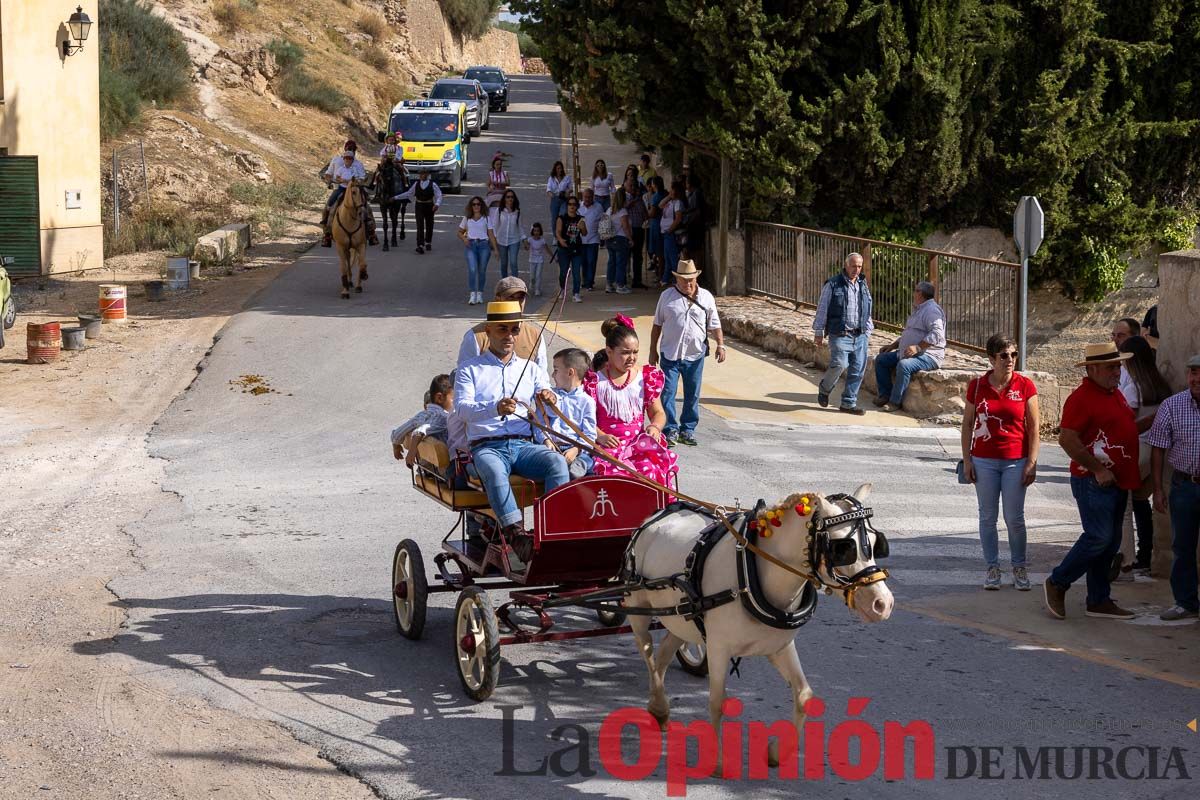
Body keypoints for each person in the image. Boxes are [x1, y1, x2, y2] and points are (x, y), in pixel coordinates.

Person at [454, 301, 569, 561]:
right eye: (502, 329)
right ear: (488, 331)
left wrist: (551, 399)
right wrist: (494, 408)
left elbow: (551, 410)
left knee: (556, 462)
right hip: (486, 447)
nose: (509, 336)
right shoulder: (469, 369)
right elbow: (462, 409)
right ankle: (516, 535)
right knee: (494, 470)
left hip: (523, 445)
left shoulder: (531, 369)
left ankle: (551, 533)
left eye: (514, 330)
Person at [1043, 343, 1141, 621]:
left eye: (1119, 365)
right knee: (1098, 537)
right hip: (1093, 480)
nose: (1117, 371)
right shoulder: (1082, 398)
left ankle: (1098, 600)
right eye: (1112, 366)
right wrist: (1098, 469)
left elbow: (1122, 429)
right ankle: (1058, 581)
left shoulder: (1114, 394)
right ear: (1092, 369)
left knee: (1109, 544)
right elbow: (1067, 438)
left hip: (1116, 480)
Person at [960, 335, 1040, 591]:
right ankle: (992, 567)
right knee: (987, 517)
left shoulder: (1025, 386)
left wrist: (1033, 461)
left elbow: (1034, 427)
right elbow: (967, 424)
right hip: (983, 460)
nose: (1010, 360)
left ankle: (1019, 566)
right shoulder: (977, 386)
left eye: (1014, 355)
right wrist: (967, 459)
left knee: (1015, 518)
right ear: (991, 358)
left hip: (1016, 460)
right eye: (1004, 355)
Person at [585, 316, 678, 487]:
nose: (631, 357)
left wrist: (655, 427)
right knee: (616, 477)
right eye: (625, 352)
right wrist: (600, 436)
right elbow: (584, 418)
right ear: (609, 351)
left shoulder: (645, 378)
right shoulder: (594, 381)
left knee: (650, 472)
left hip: (639, 445)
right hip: (607, 447)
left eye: (635, 352)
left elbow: (658, 413)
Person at [649, 259, 726, 446]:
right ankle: (670, 429)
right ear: (677, 280)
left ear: (696, 278)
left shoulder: (706, 297)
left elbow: (715, 325)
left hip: (695, 354)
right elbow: (657, 325)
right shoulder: (667, 296)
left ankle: (688, 429)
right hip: (670, 353)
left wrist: (720, 345)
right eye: (684, 280)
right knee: (667, 393)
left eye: (691, 280)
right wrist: (652, 351)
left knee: (693, 394)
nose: (688, 284)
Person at [1147, 353, 1200, 620]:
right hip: (1184, 487)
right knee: (1183, 547)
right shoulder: (1172, 406)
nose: (1196, 378)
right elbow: (1158, 448)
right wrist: (1157, 489)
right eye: (1193, 372)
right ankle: (1185, 602)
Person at [1115, 335, 1171, 577]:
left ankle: (1126, 560)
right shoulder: (1160, 385)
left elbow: (1129, 426)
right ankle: (1145, 554)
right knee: (1140, 503)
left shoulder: (1133, 387)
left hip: (1136, 450)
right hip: (1156, 452)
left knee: (1123, 508)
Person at [812, 252, 873, 415]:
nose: (857, 269)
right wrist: (819, 331)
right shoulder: (833, 284)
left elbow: (867, 306)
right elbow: (823, 307)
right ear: (846, 265)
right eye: (854, 266)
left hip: (860, 335)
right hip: (840, 333)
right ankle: (825, 388)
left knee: (858, 369)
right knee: (839, 364)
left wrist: (868, 329)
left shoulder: (862, 284)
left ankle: (848, 403)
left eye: (859, 266)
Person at [873, 281, 946, 411]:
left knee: (904, 365)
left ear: (920, 294)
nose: (913, 293)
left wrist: (918, 347)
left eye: (915, 290)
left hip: (929, 355)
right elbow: (911, 332)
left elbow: (937, 334)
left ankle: (895, 402)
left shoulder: (931, 311)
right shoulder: (919, 309)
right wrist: (893, 345)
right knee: (881, 360)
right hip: (908, 351)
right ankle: (885, 395)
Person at [458, 276, 547, 371]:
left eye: (521, 298)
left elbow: (542, 377)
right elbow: (464, 372)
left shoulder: (536, 336)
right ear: (497, 299)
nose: (516, 302)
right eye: (511, 297)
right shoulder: (475, 336)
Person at [539, 347, 598, 480]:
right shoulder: (549, 395)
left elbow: (589, 434)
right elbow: (539, 423)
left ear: (570, 372)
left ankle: (580, 465)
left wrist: (576, 449)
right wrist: (546, 440)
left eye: (555, 370)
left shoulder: (586, 401)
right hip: (552, 447)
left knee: (587, 459)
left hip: (575, 448)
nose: (552, 375)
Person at [319, 140, 378, 247]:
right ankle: (327, 234)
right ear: (344, 150)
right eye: (348, 149)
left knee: (366, 207)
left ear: (355, 152)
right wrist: (329, 180)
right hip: (341, 188)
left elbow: (363, 177)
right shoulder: (336, 160)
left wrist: (357, 182)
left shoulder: (358, 164)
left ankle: (371, 233)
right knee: (329, 206)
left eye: (352, 150)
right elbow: (329, 173)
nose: (349, 153)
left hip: (355, 189)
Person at [391, 374, 453, 466]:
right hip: (444, 468)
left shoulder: (420, 416)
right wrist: (411, 452)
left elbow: (396, 434)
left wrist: (396, 445)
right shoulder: (443, 417)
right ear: (439, 398)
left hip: (426, 468)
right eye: (454, 398)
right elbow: (421, 431)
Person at [392, 165, 441, 254]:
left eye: (424, 174)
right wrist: (396, 197)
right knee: (420, 225)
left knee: (429, 224)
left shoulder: (432, 184)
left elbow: (439, 195)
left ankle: (428, 242)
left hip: (429, 205)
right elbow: (408, 193)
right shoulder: (416, 184)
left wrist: (437, 204)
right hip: (419, 206)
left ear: (427, 175)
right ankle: (420, 245)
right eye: (421, 174)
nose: (422, 176)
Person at [458, 196, 497, 305]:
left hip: (484, 245)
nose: (476, 206)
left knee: (482, 270)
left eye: (478, 204)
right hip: (471, 245)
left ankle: (479, 293)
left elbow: (491, 234)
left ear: (481, 206)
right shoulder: (467, 218)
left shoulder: (487, 218)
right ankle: (472, 294)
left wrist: (496, 249)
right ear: (471, 206)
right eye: (474, 204)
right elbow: (459, 232)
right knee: (472, 269)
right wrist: (464, 239)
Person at [555, 196, 586, 303]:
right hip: (564, 249)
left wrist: (582, 227)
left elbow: (585, 233)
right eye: (570, 204)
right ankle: (562, 289)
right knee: (563, 272)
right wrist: (560, 240)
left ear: (577, 206)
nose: (572, 206)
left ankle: (576, 293)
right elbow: (558, 231)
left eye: (574, 204)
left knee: (576, 272)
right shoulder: (561, 218)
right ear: (567, 206)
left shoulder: (580, 218)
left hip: (576, 248)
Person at [622, 172, 648, 289]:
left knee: (638, 256)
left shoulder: (640, 199)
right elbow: (622, 208)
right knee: (625, 255)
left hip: (638, 229)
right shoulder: (622, 197)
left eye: (634, 186)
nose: (632, 188)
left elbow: (644, 213)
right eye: (630, 186)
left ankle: (637, 280)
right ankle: (623, 280)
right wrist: (632, 201)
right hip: (627, 230)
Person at [605, 187, 633, 294]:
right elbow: (625, 227)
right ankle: (620, 285)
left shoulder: (609, 210)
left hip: (609, 239)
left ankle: (609, 284)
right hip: (620, 239)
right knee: (620, 263)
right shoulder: (622, 211)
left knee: (611, 262)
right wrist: (630, 239)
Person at [493, 190, 524, 279]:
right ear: (504, 199)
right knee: (503, 263)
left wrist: (524, 239)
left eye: (512, 197)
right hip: (501, 241)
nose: (510, 199)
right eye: (508, 197)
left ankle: (515, 284)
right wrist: (494, 245)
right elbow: (494, 227)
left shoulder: (517, 212)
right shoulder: (499, 211)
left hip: (514, 240)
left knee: (513, 262)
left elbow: (520, 227)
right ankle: (505, 282)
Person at [659, 180, 685, 282]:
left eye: (672, 189)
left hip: (671, 233)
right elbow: (660, 205)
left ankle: (676, 280)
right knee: (667, 257)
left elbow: (678, 218)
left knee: (673, 258)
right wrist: (669, 196)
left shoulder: (678, 203)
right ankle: (666, 278)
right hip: (666, 233)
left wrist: (669, 230)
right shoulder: (670, 201)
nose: (670, 191)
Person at [578, 189, 604, 291]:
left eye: (589, 197)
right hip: (581, 240)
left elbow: (603, 222)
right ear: (583, 197)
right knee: (583, 261)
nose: (587, 199)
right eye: (585, 197)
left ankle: (590, 282)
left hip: (594, 239)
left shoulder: (599, 207)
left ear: (593, 197)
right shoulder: (579, 207)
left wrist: (602, 237)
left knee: (591, 261)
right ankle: (585, 281)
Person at [681, 173, 706, 267]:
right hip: (693, 226)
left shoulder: (696, 193)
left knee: (695, 251)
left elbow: (697, 211)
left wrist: (689, 221)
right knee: (691, 250)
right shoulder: (693, 194)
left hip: (696, 227)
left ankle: (695, 275)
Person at [646, 176, 667, 283]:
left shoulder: (656, 196)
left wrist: (646, 213)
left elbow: (652, 213)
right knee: (661, 252)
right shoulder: (666, 193)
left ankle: (661, 275)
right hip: (663, 224)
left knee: (659, 252)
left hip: (657, 225)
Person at [525, 223, 550, 297]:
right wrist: (525, 244)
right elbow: (526, 248)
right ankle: (532, 283)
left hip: (540, 260)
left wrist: (554, 258)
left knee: (538, 275)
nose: (536, 232)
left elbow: (547, 249)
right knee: (532, 276)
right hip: (532, 260)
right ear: (532, 231)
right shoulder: (530, 240)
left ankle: (537, 289)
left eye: (538, 231)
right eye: (535, 231)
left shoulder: (542, 241)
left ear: (540, 231)